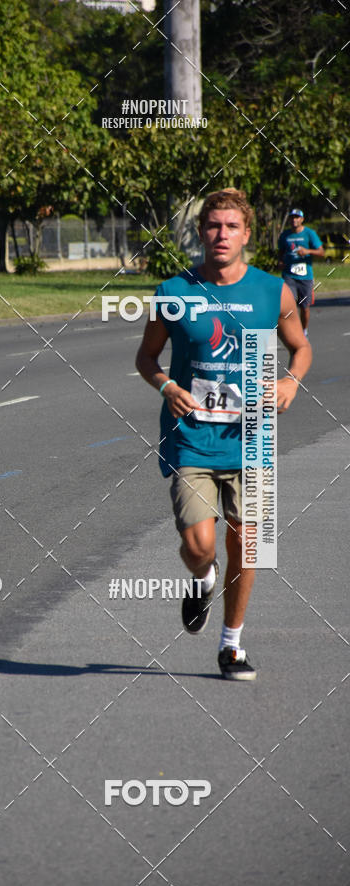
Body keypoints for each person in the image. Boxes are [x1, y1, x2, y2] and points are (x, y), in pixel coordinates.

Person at [136, 189, 312, 680]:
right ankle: (202, 577)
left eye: (231, 227)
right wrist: (168, 385)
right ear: (201, 231)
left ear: (246, 234)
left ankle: (231, 645)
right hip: (192, 437)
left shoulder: (270, 291)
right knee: (199, 546)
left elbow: (301, 348)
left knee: (249, 543)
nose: (221, 234)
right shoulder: (174, 292)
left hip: (253, 437)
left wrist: (289, 381)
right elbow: (146, 358)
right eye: (213, 226)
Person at [278, 209, 324, 336]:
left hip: (305, 275)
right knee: (289, 303)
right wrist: (280, 261)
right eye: (292, 217)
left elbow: (321, 252)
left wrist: (308, 251)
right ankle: (292, 331)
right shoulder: (285, 235)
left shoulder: (309, 233)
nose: (294, 220)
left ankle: (304, 331)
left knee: (305, 307)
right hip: (289, 275)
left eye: (297, 217)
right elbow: (281, 251)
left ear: (302, 219)